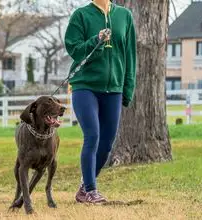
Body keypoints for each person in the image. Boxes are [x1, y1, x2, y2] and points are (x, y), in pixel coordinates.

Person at [64, 0, 137, 204]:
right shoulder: (81, 16)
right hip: (85, 85)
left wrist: (127, 88)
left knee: (106, 143)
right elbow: (74, 49)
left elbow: (130, 55)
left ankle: (83, 188)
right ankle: (91, 190)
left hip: (113, 88)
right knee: (92, 135)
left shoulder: (125, 16)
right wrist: (95, 41)